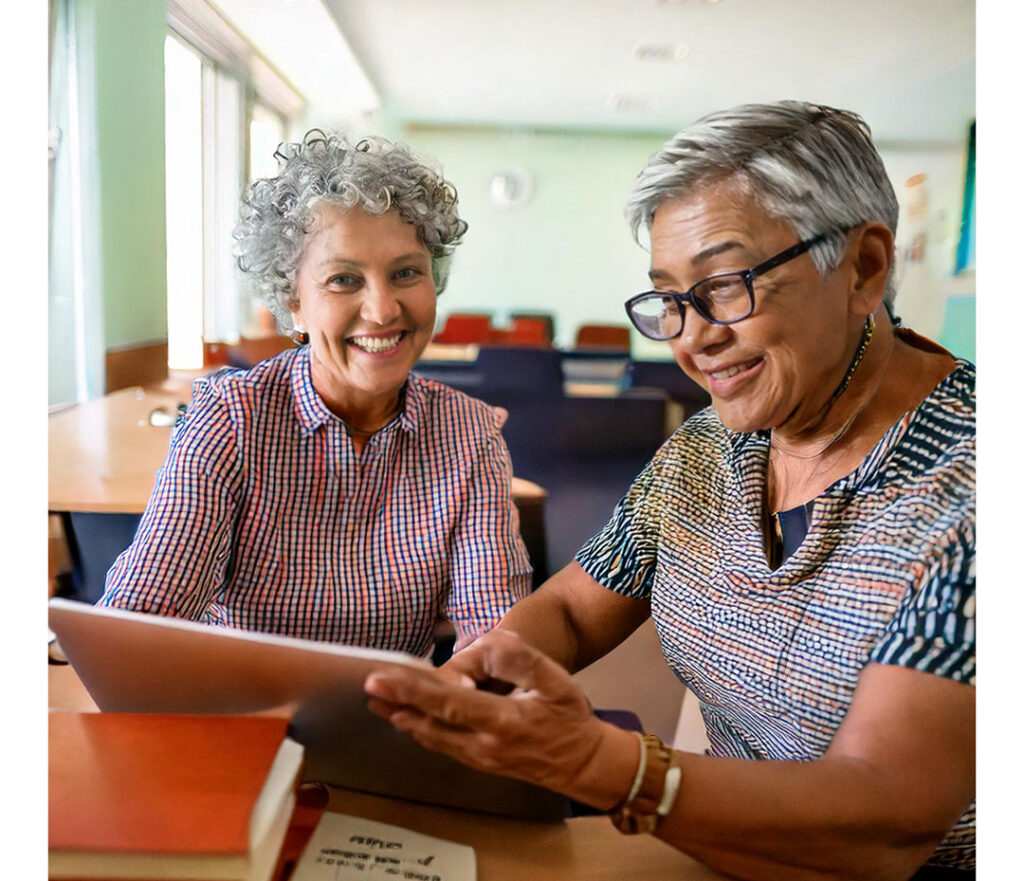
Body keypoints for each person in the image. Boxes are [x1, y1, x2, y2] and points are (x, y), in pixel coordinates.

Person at [363, 102, 975, 880]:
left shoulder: (975, 486)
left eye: (724, 286)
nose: (690, 335)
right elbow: (572, 609)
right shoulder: (706, 450)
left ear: (863, 268)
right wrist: (476, 676)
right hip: (714, 854)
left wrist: (606, 764)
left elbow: (884, 821)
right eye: (669, 299)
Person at [99, 130, 532, 657]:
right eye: (344, 280)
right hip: (245, 721)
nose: (383, 309)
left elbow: (493, 636)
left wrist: (461, 698)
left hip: (396, 721)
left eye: (406, 273)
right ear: (293, 303)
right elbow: (140, 625)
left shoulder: (470, 435)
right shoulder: (232, 419)